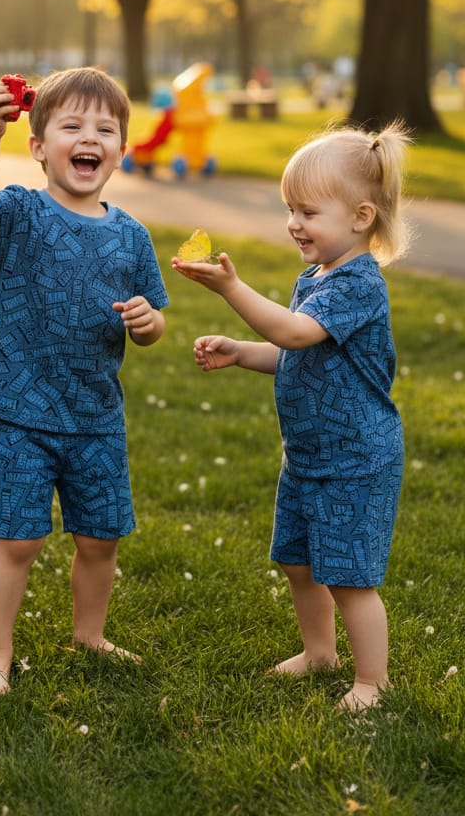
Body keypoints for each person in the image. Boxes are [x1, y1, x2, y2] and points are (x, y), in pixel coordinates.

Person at [172, 123, 411, 711]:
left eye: (308, 211)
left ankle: (372, 682)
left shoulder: (359, 283)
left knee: (350, 576)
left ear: (360, 217)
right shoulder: (316, 276)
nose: (294, 223)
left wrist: (232, 288)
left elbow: (294, 330)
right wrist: (240, 352)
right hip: (307, 456)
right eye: (289, 209)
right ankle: (319, 653)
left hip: (355, 458)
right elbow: (293, 353)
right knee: (300, 563)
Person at [0, 66, 169, 694]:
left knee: (101, 539)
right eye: (71, 125)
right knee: (17, 541)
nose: (89, 137)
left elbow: (151, 326)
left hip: (97, 417)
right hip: (21, 409)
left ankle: (90, 634)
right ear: (40, 146)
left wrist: (147, 322)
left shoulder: (132, 236)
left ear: (120, 150)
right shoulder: (19, 210)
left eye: (105, 128)